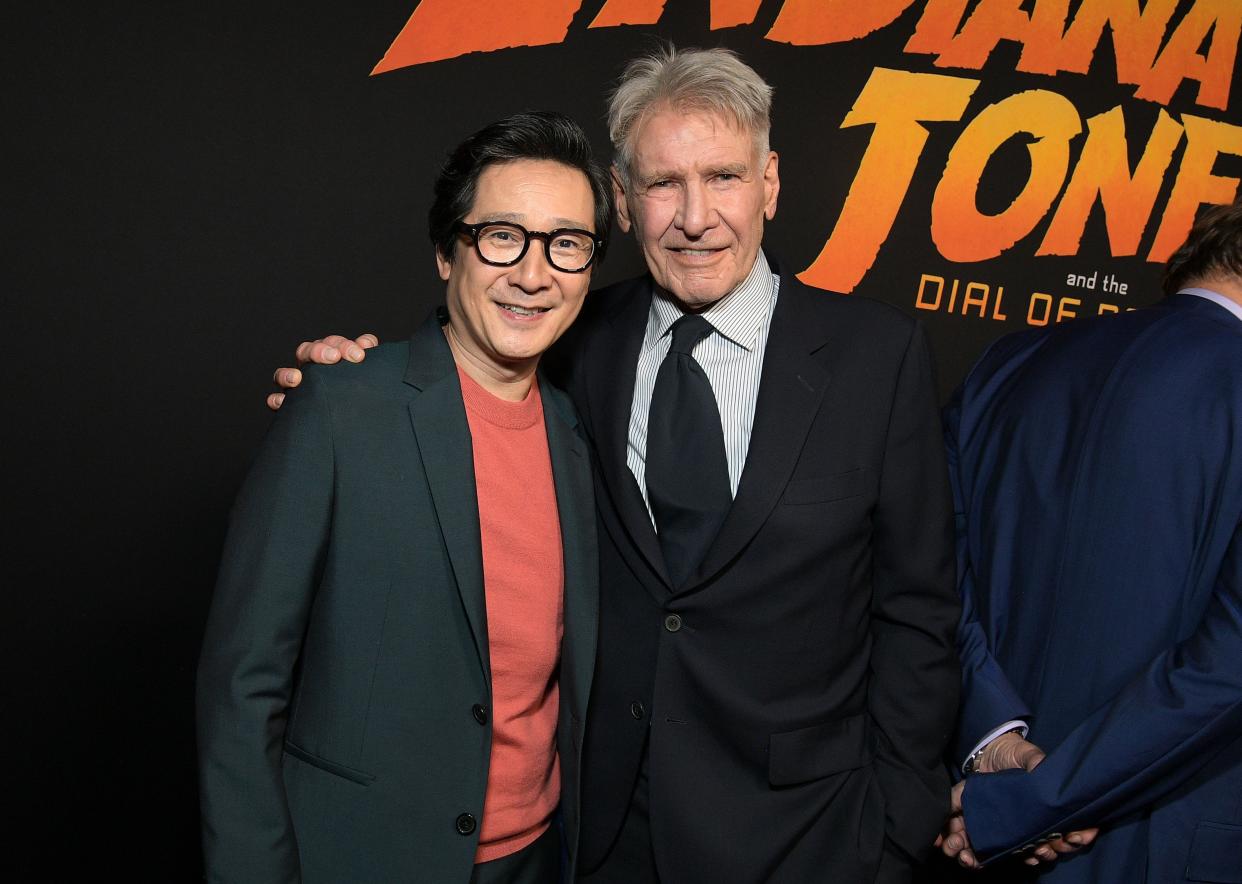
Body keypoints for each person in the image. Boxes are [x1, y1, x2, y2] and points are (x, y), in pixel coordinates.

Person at [273, 47, 960, 882]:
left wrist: (894, 836)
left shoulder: (877, 357)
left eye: (724, 177)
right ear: (623, 201)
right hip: (601, 834)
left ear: (770, 183)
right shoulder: (573, 337)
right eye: (664, 184)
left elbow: (918, 611)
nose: (695, 217)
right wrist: (357, 380)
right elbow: (467, 362)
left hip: (808, 838)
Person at [197, 111, 611, 884]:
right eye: (501, 236)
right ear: (446, 253)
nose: (533, 273)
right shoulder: (344, 405)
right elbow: (242, 683)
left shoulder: (581, 436)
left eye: (566, 244)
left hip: (540, 857)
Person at [938, 199, 1242, 882]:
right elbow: (1230, 663)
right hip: (1163, 848)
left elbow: (929, 574)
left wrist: (997, 746)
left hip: (969, 820)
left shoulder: (1010, 362)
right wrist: (1041, 799)